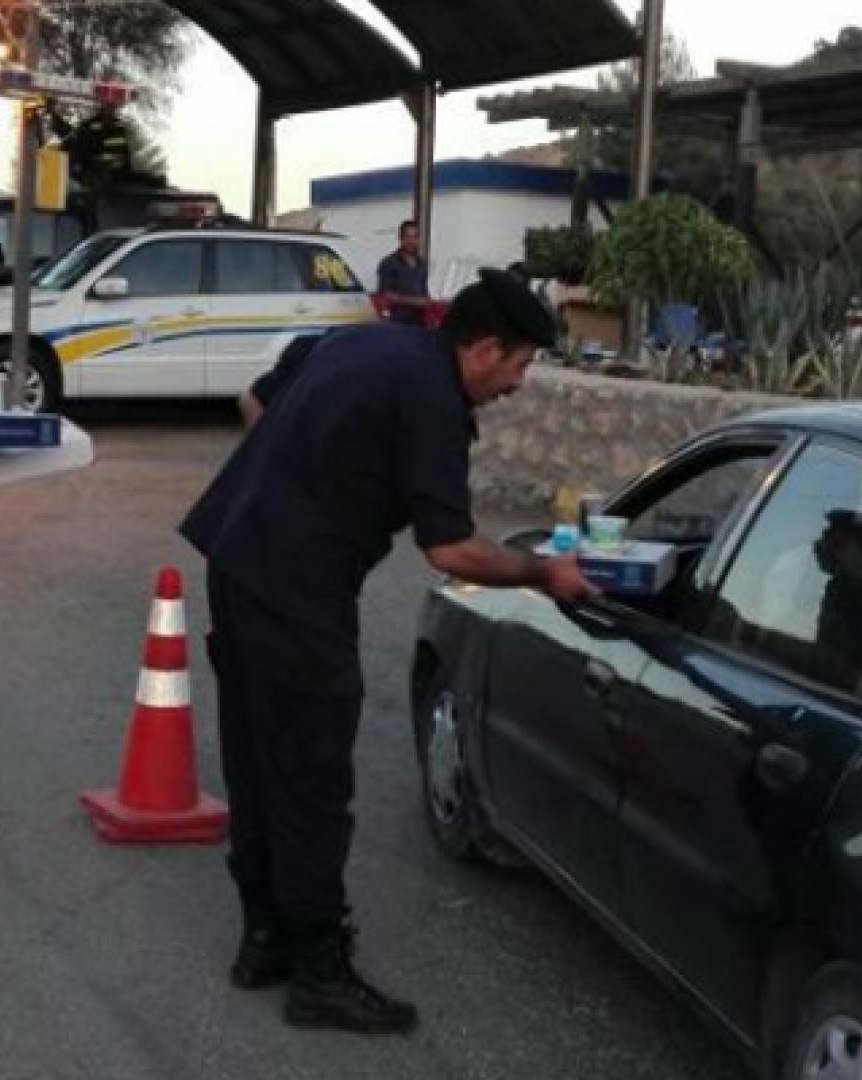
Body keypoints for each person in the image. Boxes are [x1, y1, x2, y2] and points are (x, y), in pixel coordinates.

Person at [181, 268, 598, 1035]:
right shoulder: (435, 402)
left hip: (235, 559)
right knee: (310, 777)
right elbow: (452, 550)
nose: (518, 385)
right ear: (482, 348)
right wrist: (546, 572)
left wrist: (298, 478)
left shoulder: (365, 342)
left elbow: (258, 398)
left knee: (256, 760)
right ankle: (319, 973)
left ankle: (264, 939)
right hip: (299, 592)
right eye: (520, 365)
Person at [375, 220, 430, 326]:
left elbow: (424, 292)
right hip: (396, 322)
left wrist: (427, 300)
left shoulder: (421, 264)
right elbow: (385, 295)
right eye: (407, 237)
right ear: (400, 238)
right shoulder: (389, 263)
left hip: (418, 322)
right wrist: (413, 301)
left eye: (415, 237)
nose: (411, 241)